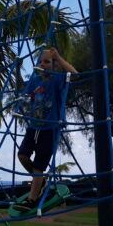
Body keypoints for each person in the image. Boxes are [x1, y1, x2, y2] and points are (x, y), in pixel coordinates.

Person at [17, 47, 77, 209]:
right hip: (33, 126)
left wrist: (58, 56)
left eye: (47, 62)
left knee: (39, 165)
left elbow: (75, 74)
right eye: (41, 62)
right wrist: (17, 69)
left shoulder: (57, 79)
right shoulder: (35, 81)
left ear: (55, 66)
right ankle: (41, 179)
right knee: (22, 155)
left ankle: (32, 199)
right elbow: (24, 90)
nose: (42, 65)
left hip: (50, 129)